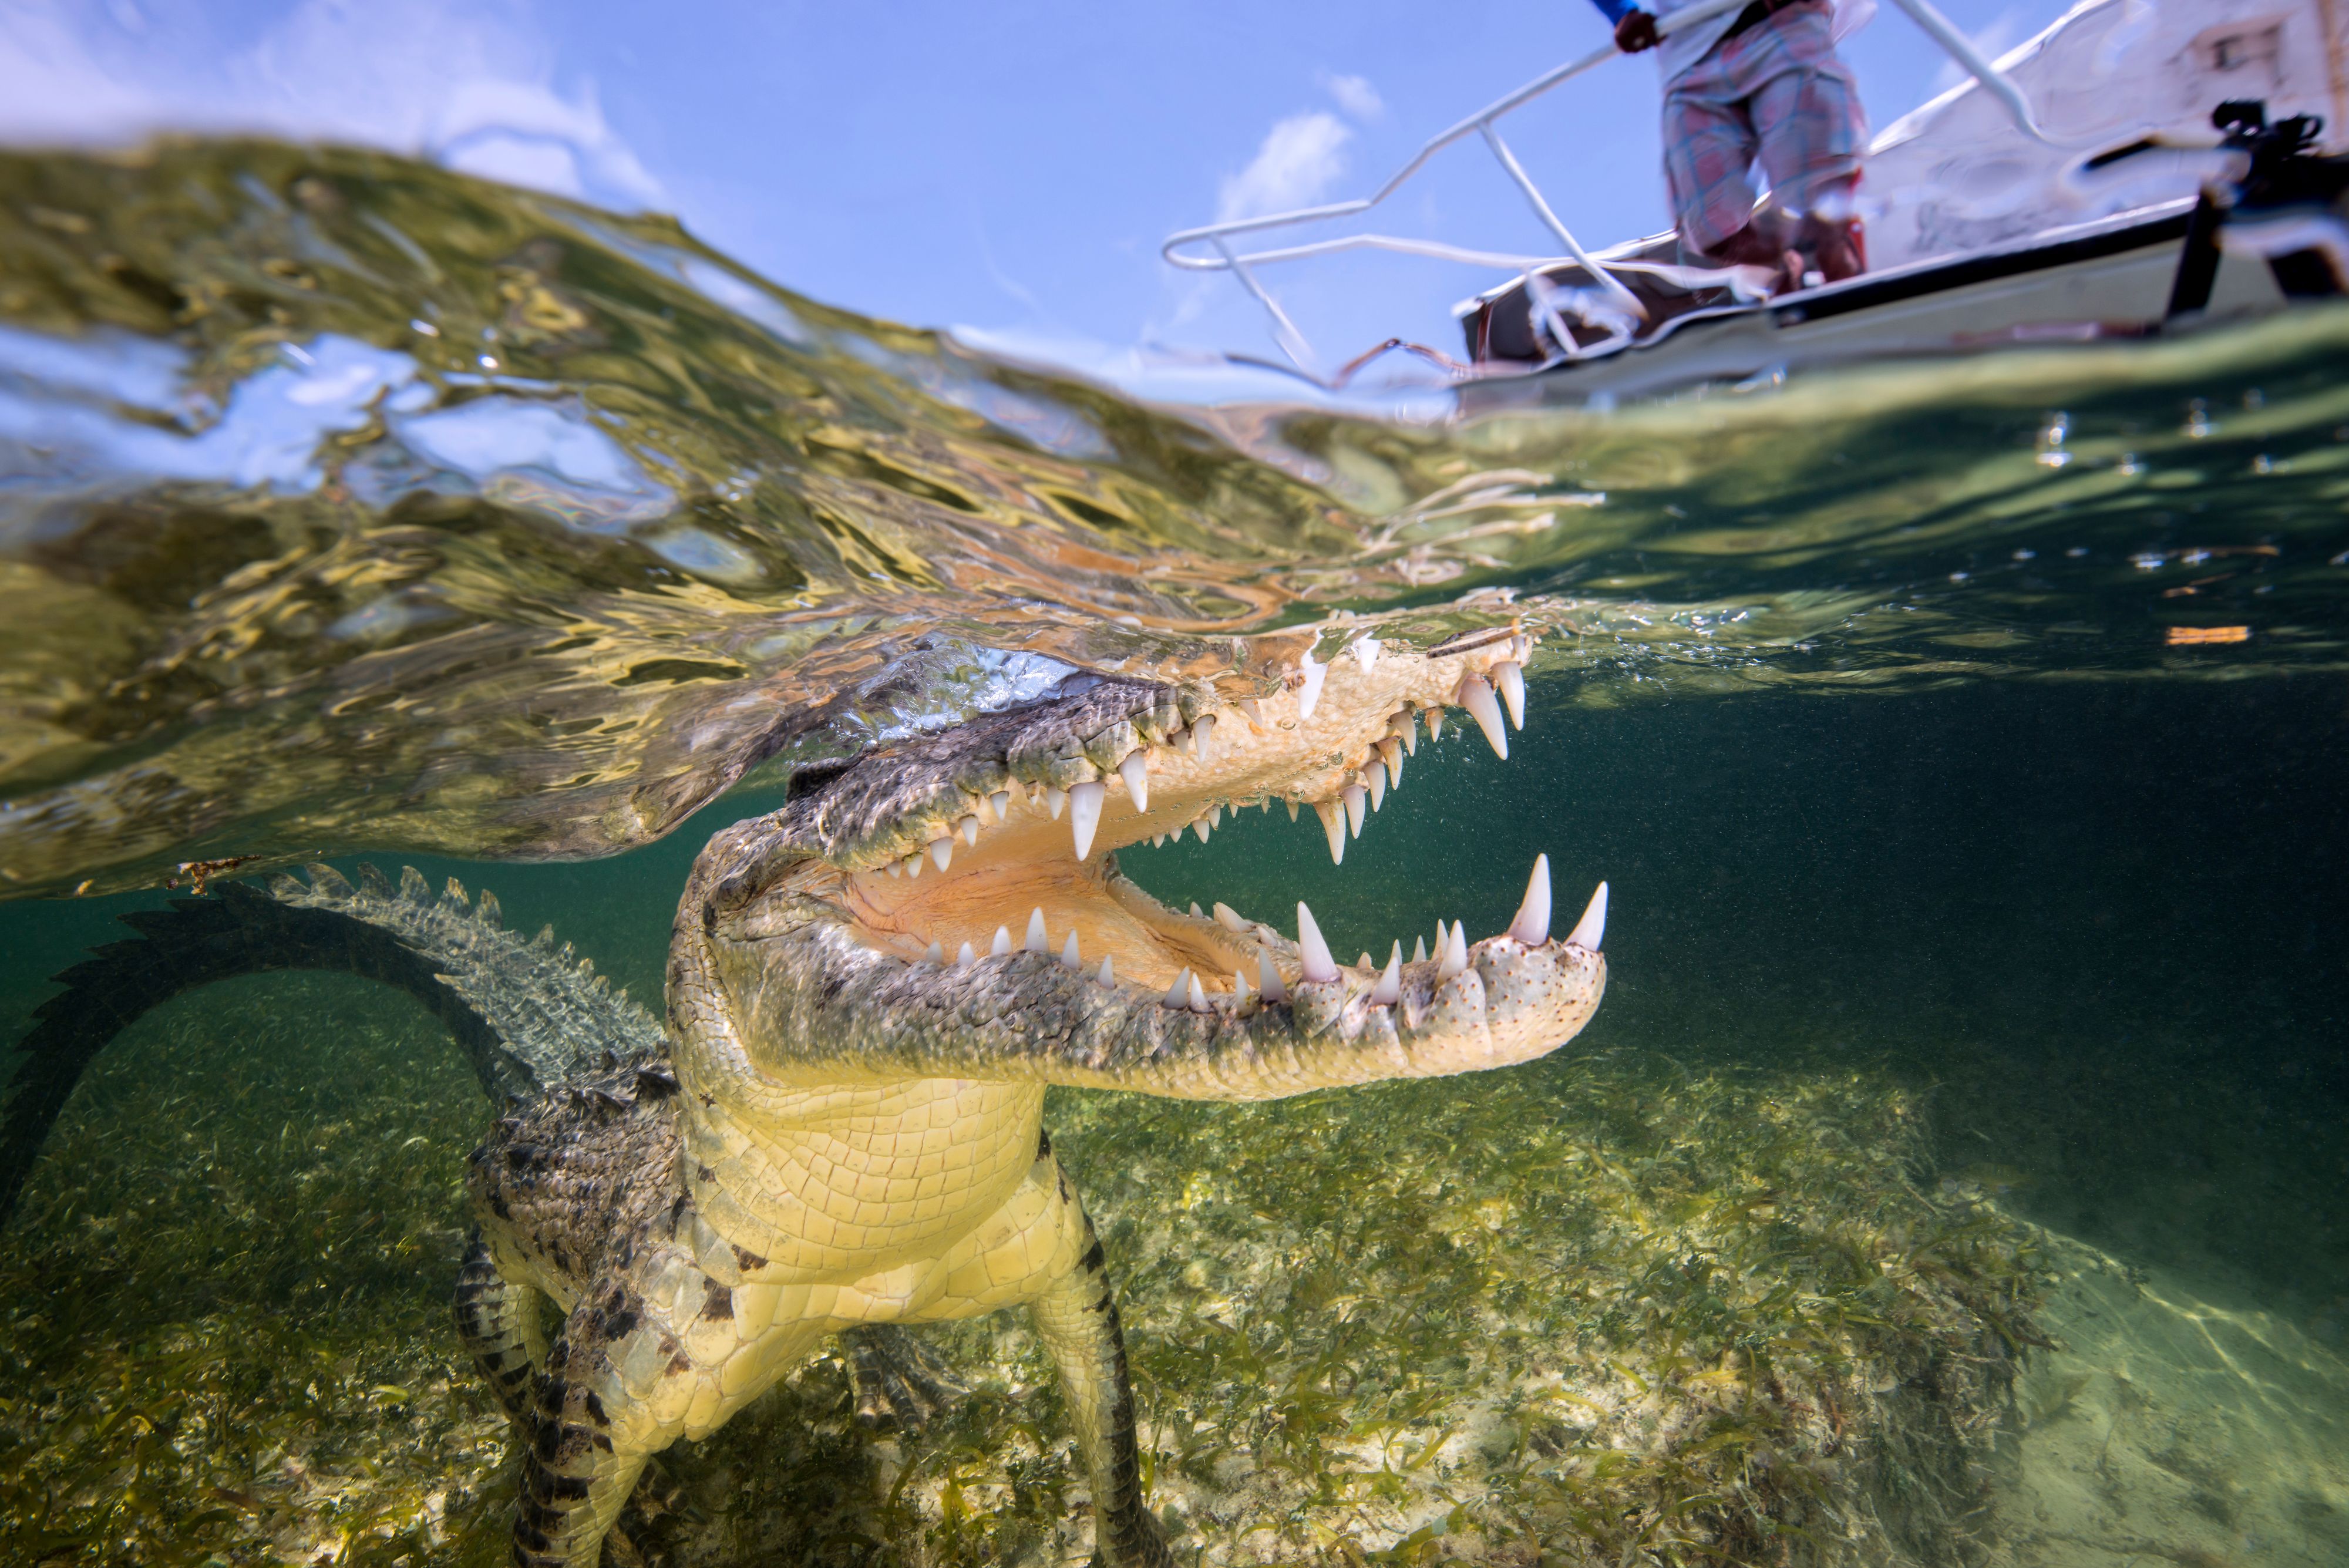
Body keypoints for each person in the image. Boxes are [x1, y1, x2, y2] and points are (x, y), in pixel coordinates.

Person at [1590, 0, 1870, 288]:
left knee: (1821, 193)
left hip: (1780, 21)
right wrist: (1621, 12)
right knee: (1710, 229)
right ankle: (1784, 277)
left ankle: (1848, 281)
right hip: (1689, 56)